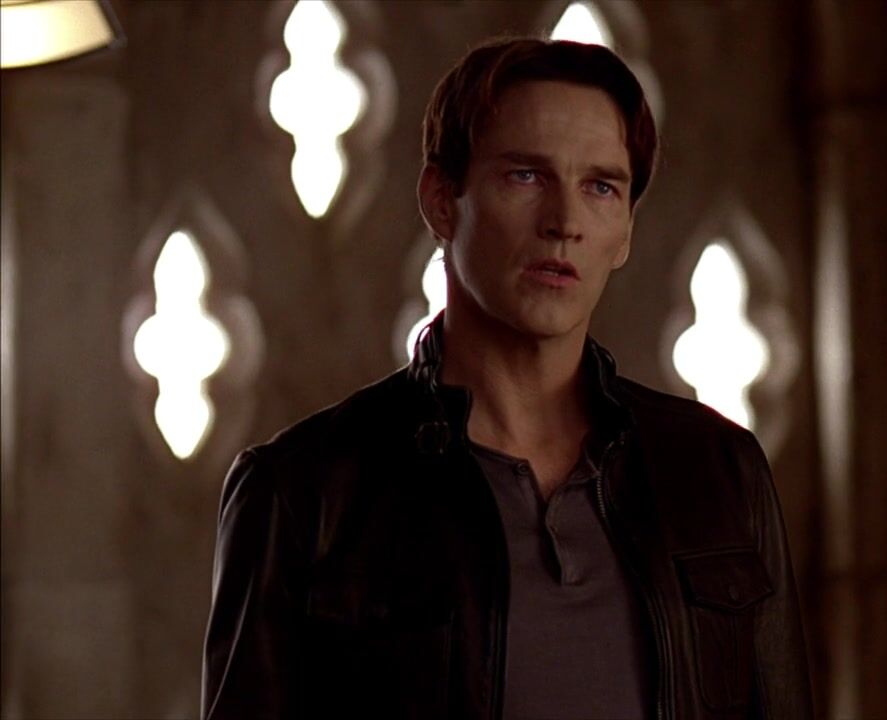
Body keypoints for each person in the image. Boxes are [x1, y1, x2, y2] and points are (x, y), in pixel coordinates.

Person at [201, 37, 813, 720]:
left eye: (601, 187)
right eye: (525, 176)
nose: (564, 222)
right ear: (442, 201)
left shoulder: (717, 470)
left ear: (625, 232)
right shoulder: (302, 492)